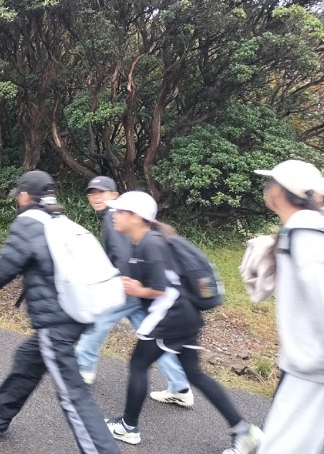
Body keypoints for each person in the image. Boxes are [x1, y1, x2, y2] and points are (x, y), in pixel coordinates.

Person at [0, 170, 120, 454]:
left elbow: (5, 266)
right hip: (75, 313)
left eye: (19, 196)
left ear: (26, 196)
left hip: (57, 323)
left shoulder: (29, 223)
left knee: (72, 394)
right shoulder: (58, 220)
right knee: (27, 358)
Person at [103, 190, 262, 454]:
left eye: (120, 211)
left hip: (169, 317)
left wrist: (137, 290)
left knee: (138, 364)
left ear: (136, 217)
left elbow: (160, 289)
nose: (114, 215)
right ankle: (244, 430)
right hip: (185, 317)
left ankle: (128, 427)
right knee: (194, 373)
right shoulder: (142, 241)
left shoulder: (150, 244)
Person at [253, 160, 324, 453]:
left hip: (321, 366)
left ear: (279, 193)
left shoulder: (309, 239)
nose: (266, 189)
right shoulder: (317, 229)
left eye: (270, 184)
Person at [75, 176, 194, 407]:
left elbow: (122, 253)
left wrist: (120, 283)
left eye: (102, 192)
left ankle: (83, 368)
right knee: (149, 334)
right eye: (92, 193)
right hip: (136, 286)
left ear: (114, 196)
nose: (96, 197)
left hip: (127, 285)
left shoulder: (114, 217)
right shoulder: (116, 216)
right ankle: (180, 386)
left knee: (97, 322)